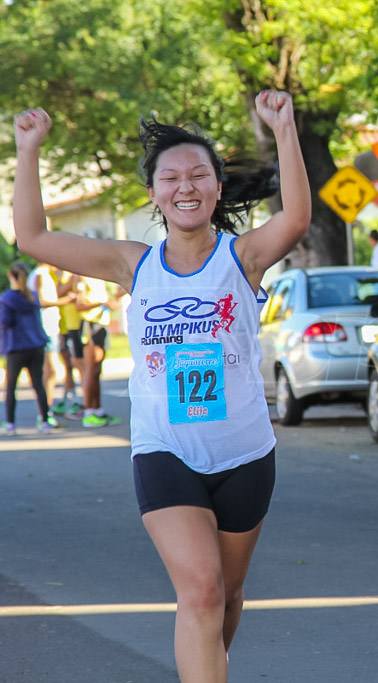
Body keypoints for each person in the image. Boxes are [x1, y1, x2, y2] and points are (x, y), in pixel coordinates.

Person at [13, 90, 310, 683]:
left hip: (245, 454)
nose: (186, 185)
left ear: (218, 189)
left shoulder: (242, 257)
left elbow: (297, 217)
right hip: (165, 450)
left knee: (224, 596)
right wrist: (28, 150)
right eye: (171, 177)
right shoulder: (134, 264)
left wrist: (283, 128)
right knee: (199, 591)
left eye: (200, 174)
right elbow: (33, 238)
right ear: (153, 194)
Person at [1, 261, 55, 434]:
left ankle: (10, 424)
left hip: (16, 347)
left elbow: (6, 321)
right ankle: (45, 421)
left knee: (11, 387)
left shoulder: (7, 298)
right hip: (35, 344)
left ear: (11, 276)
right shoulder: (32, 296)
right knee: (38, 385)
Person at [75, 275, 120, 427]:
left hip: (101, 323)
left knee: (97, 370)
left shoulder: (101, 277)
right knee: (90, 369)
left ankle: (98, 410)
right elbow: (79, 305)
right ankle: (88, 412)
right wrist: (101, 303)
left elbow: (110, 299)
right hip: (90, 324)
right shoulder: (81, 276)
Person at [27, 260, 69, 422]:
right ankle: (44, 413)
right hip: (45, 329)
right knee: (49, 372)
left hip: (49, 328)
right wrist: (65, 301)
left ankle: (45, 412)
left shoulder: (44, 275)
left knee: (50, 372)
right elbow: (42, 301)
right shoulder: (40, 275)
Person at [53, 269, 84, 417]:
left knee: (80, 365)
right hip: (64, 326)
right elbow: (57, 293)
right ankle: (70, 400)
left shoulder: (73, 272)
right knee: (68, 365)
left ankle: (81, 403)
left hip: (75, 325)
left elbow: (57, 293)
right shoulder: (62, 274)